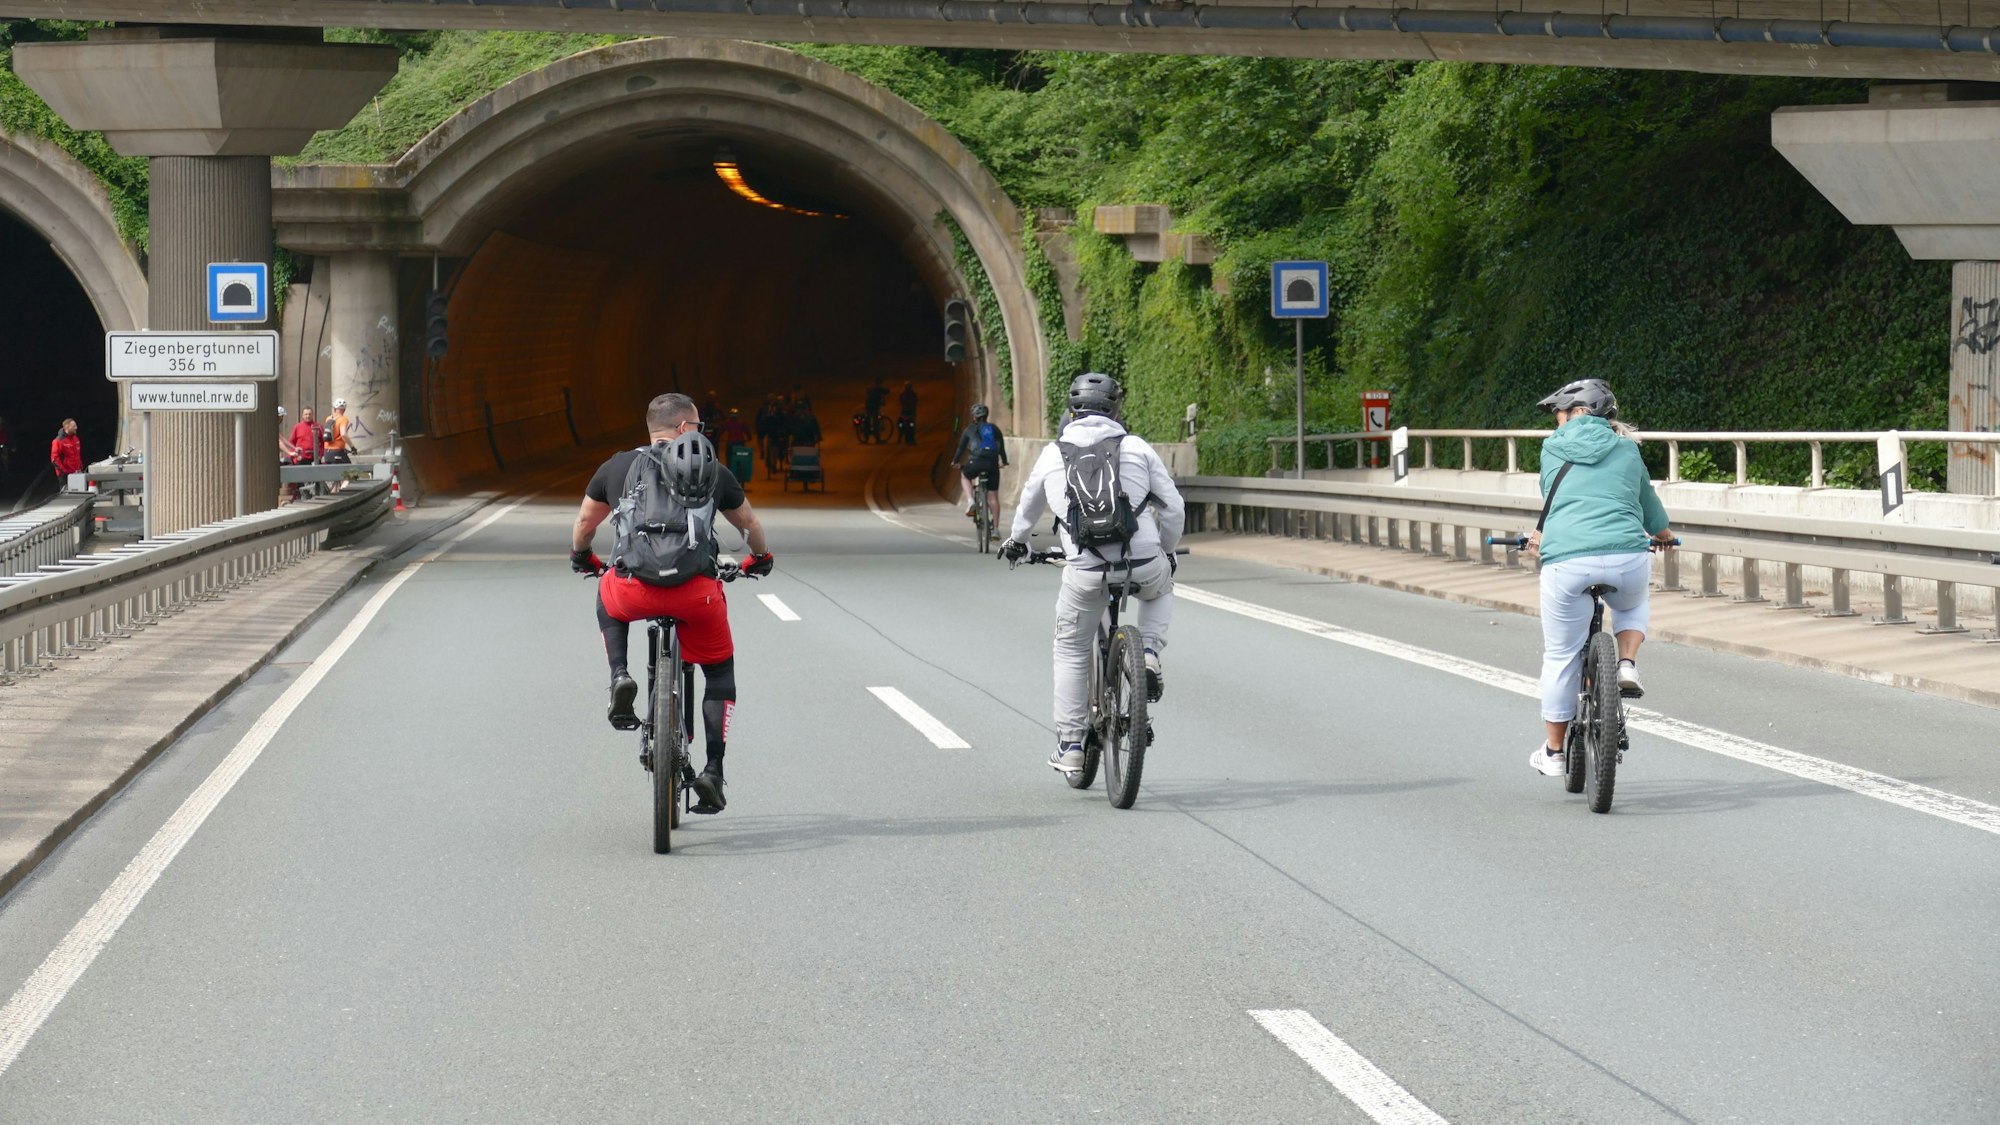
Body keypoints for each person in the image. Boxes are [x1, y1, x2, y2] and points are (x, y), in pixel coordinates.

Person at [570, 393, 774, 814]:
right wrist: (761, 558)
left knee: (607, 595)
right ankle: (714, 771)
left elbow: (585, 524)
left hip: (632, 589)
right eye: (697, 426)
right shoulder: (711, 469)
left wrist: (582, 557)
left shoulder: (617, 466)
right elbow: (750, 524)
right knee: (719, 670)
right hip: (696, 592)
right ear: (684, 429)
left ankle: (620, 675)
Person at [1001, 373, 1185, 780]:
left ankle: (1070, 747)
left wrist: (1017, 542)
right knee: (1159, 588)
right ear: (1117, 410)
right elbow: (1173, 508)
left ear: (1072, 411)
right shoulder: (1136, 448)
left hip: (1084, 570)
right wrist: (1167, 551)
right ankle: (1150, 653)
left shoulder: (1053, 453)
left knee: (1070, 648)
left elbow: (1027, 509)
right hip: (1141, 562)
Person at [1525, 378, 1675, 778]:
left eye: (1559, 414)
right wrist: (1664, 536)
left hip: (1568, 562)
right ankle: (1626, 663)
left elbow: (1555, 502)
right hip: (1627, 555)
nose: (1556, 422)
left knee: (1559, 655)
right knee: (1633, 601)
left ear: (1575, 412)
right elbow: (1649, 508)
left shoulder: (1552, 448)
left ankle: (1554, 753)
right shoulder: (1627, 449)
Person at [951, 403, 1009, 522]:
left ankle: (971, 501)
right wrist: (1004, 461)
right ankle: (996, 529)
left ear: (974, 417)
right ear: (987, 416)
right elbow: (1001, 448)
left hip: (975, 462)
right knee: (993, 497)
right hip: (992, 464)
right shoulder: (994, 429)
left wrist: (955, 461)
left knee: (965, 476)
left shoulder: (969, 429)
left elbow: (961, 448)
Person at [49, 418, 82, 485]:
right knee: (67, 494)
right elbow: (54, 459)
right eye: (74, 426)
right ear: (67, 427)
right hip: (65, 475)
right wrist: (64, 471)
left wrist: (80, 467)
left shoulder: (75, 438)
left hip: (76, 472)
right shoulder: (58, 441)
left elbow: (77, 455)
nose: (76, 428)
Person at [322, 399, 354, 465]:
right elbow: (343, 434)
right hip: (337, 451)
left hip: (327, 452)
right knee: (349, 470)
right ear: (344, 409)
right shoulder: (343, 419)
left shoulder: (328, 418)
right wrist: (352, 447)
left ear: (334, 408)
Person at [863, 377, 888, 442]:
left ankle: (866, 438)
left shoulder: (870, 388)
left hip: (868, 406)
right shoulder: (879, 388)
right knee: (876, 422)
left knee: (867, 421)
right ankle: (878, 439)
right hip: (874, 407)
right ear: (880, 383)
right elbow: (887, 391)